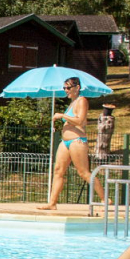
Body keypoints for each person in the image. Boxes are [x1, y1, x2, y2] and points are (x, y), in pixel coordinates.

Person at [38, 78, 100, 211]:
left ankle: (105, 199)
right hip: (65, 142)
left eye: (68, 88)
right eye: (64, 88)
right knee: (58, 171)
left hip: (77, 141)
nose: (66, 91)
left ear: (77, 88)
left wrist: (62, 116)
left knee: (83, 172)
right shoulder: (72, 103)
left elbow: (80, 121)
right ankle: (52, 203)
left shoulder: (82, 101)